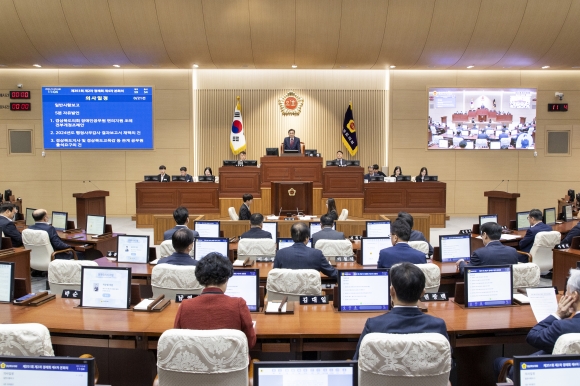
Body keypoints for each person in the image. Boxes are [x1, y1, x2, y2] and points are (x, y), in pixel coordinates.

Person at [494, 269, 580, 380]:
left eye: (567, 292)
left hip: (549, 377)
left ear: (574, 296)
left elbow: (533, 336)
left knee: (498, 362)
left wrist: (558, 314)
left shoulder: (562, 327)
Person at [353, 262, 449, 360]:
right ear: (422, 293)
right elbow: (446, 361)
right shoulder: (438, 326)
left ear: (391, 291)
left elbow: (358, 360)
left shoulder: (373, 325)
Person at [173, 252, 256, 349]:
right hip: (230, 364)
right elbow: (250, 343)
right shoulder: (238, 304)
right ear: (226, 279)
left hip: (196, 363)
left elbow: (177, 341)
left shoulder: (185, 306)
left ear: (201, 278)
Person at [455, 222, 519, 274]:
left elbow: (466, 271)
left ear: (485, 235)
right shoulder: (513, 251)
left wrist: (461, 262)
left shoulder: (479, 253)